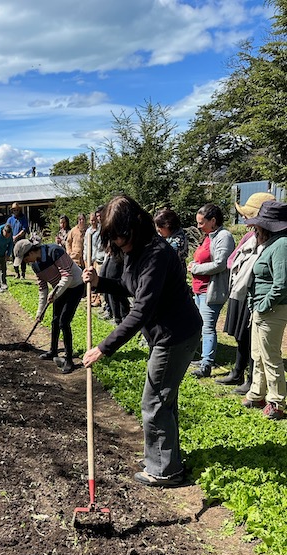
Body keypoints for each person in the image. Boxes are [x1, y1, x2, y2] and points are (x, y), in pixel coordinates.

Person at [82, 195, 202, 487]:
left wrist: (103, 347)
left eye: (120, 237)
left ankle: (165, 470)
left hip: (175, 335)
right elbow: (128, 286)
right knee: (163, 399)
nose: (119, 244)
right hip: (166, 334)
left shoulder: (156, 254)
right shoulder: (137, 251)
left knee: (155, 401)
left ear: (134, 226)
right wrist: (100, 283)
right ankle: (162, 457)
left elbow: (141, 310)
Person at [216, 192, 275, 392]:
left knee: (252, 339)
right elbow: (232, 259)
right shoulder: (251, 235)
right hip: (240, 290)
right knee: (241, 336)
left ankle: (252, 379)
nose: (244, 217)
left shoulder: (271, 239)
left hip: (254, 292)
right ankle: (237, 371)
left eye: (248, 214)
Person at [241, 200, 287, 420]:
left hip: (273, 310)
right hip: (261, 310)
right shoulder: (271, 243)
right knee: (257, 355)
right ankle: (257, 393)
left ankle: (276, 402)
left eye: (257, 225)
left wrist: (264, 305)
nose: (254, 229)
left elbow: (282, 284)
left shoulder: (282, 245)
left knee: (271, 357)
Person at [13, 238, 84, 374]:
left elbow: (67, 276)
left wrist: (55, 293)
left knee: (64, 321)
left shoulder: (55, 251)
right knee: (55, 320)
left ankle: (69, 360)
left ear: (31, 252)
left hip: (75, 285)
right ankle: (53, 351)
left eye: (24, 258)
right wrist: (40, 311)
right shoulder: (35, 265)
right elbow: (42, 288)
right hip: (60, 289)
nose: (25, 262)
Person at [188, 203, 235, 378]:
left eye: (201, 223)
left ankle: (207, 364)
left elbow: (220, 264)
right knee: (199, 324)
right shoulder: (209, 236)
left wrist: (195, 269)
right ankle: (203, 358)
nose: (199, 227)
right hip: (199, 290)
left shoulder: (224, 237)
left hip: (211, 291)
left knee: (208, 327)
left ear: (213, 220)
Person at [154, 208, 189, 273]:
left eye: (160, 227)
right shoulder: (167, 235)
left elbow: (163, 259)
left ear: (168, 225)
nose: (158, 230)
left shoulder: (178, 241)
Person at [6, 202, 29, 277]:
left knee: (22, 258)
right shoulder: (10, 219)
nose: (15, 211)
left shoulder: (23, 218)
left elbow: (24, 229)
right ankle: (17, 273)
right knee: (14, 257)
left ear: (19, 210)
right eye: (14, 210)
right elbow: (7, 229)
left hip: (21, 242)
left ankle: (23, 273)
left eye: (17, 210)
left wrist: (16, 236)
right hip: (12, 242)